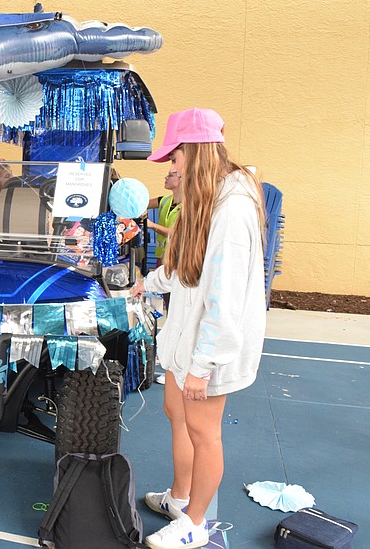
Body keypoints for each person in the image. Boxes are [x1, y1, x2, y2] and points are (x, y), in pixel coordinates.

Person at [130, 108, 265, 549]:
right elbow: (185, 269)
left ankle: (196, 522)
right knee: (176, 414)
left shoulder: (233, 211)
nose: (171, 170)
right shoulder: (204, 200)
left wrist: (203, 365)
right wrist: (144, 286)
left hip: (210, 346)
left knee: (204, 432)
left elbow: (224, 300)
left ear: (196, 152)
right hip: (186, 337)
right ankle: (180, 496)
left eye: (175, 158)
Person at [148, 168, 183, 268]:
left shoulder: (190, 206)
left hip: (178, 258)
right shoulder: (164, 200)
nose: (166, 177)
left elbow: (177, 233)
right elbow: (141, 205)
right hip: (162, 257)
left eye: (171, 175)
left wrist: (152, 225)